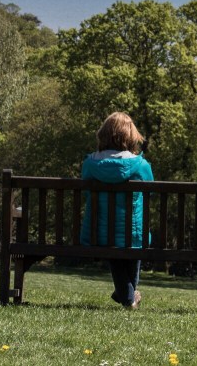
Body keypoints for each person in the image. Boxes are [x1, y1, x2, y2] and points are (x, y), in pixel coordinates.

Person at [80, 111, 154, 309]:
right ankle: (129, 297)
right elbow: (151, 193)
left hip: (99, 235)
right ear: (131, 137)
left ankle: (125, 293)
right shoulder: (140, 166)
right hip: (133, 235)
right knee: (132, 243)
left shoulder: (90, 165)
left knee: (114, 243)